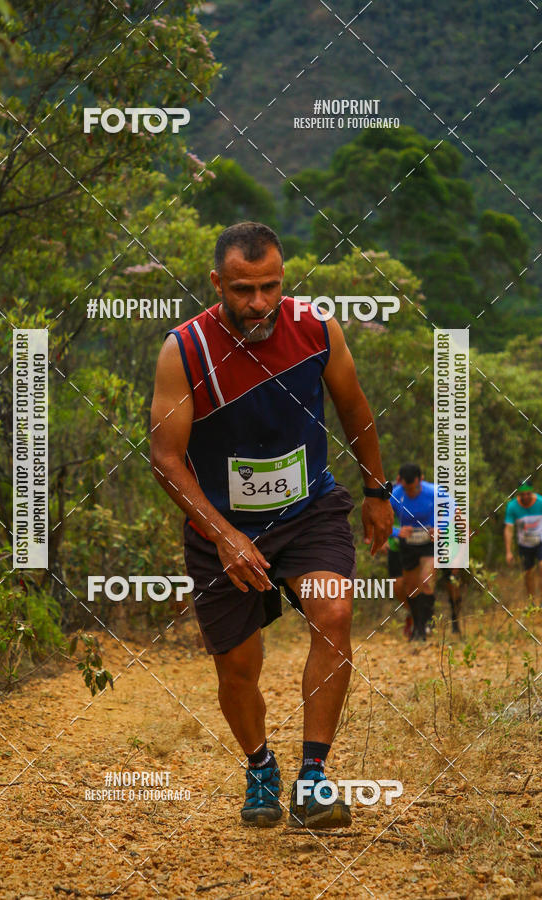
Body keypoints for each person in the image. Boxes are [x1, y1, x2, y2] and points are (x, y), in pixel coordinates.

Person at [149, 222, 393, 829]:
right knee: (237, 665)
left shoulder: (316, 328)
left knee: (334, 612)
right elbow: (166, 457)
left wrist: (375, 489)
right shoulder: (185, 351)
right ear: (216, 284)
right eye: (242, 289)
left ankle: (314, 778)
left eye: (270, 287)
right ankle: (260, 766)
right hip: (223, 525)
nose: (258, 302)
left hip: (309, 509)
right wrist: (224, 535)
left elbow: (354, 406)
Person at [390, 463, 437, 641]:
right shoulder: (395, 495)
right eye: (406, 488)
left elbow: (451, 513)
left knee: (426, 581)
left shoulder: (433, 492)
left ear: (421, 479)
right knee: (411, 588)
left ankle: (425, 624)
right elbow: (382, 521)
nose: (410, 491)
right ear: (400, 482)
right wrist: (397, 532)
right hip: (408, 545)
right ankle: (418, 627)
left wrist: (439, 528)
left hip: (429, 544)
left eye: (414, 487)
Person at [504, 480, 542, 603]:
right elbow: (509, 529)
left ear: (532, 492)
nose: (525, 497)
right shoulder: (512, 506)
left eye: (528, 493)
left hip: (540, 541)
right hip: (524, 544)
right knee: (528, 573)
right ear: (518, 494)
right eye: (522, 494)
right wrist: (508, 551)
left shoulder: (540, 502)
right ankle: (532, 602)